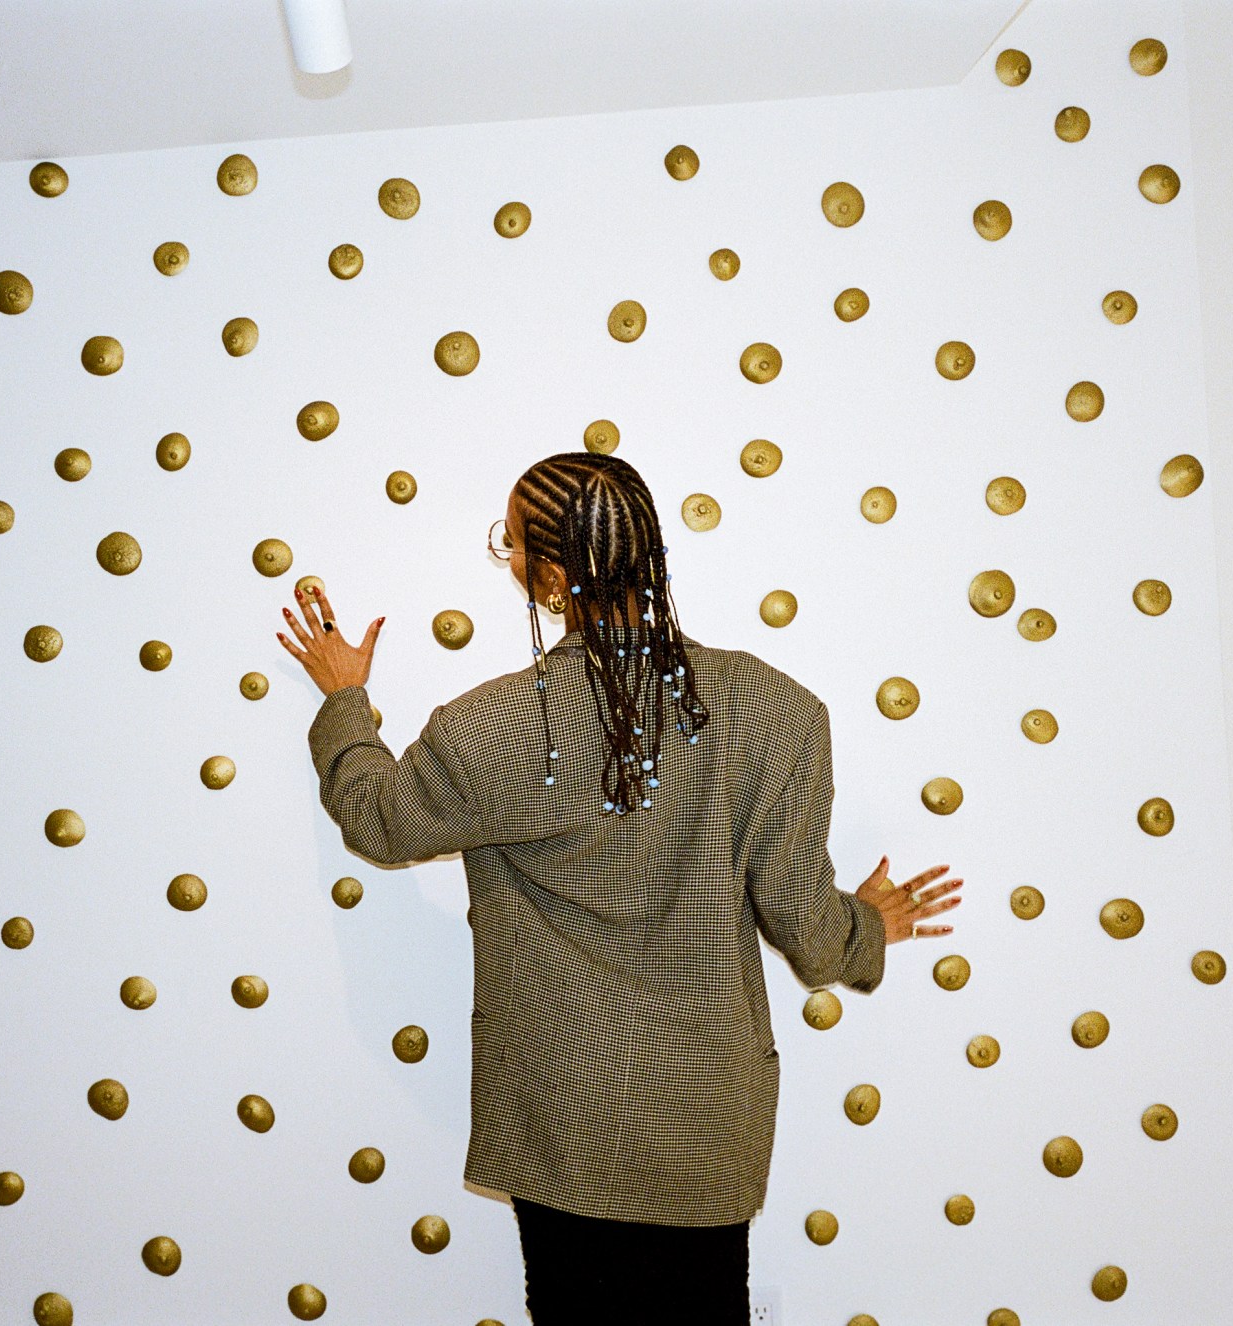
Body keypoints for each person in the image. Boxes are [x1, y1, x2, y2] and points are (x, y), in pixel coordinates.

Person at [279, 451, 963, 1324]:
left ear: (554, 577)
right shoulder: (777, 710)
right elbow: (807, 926)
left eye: (513, 545)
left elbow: (379, 821)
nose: (515, 563)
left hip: (568, 1122)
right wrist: (869, 927)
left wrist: (346, 700)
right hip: (708, 1120)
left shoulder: (496, 726)